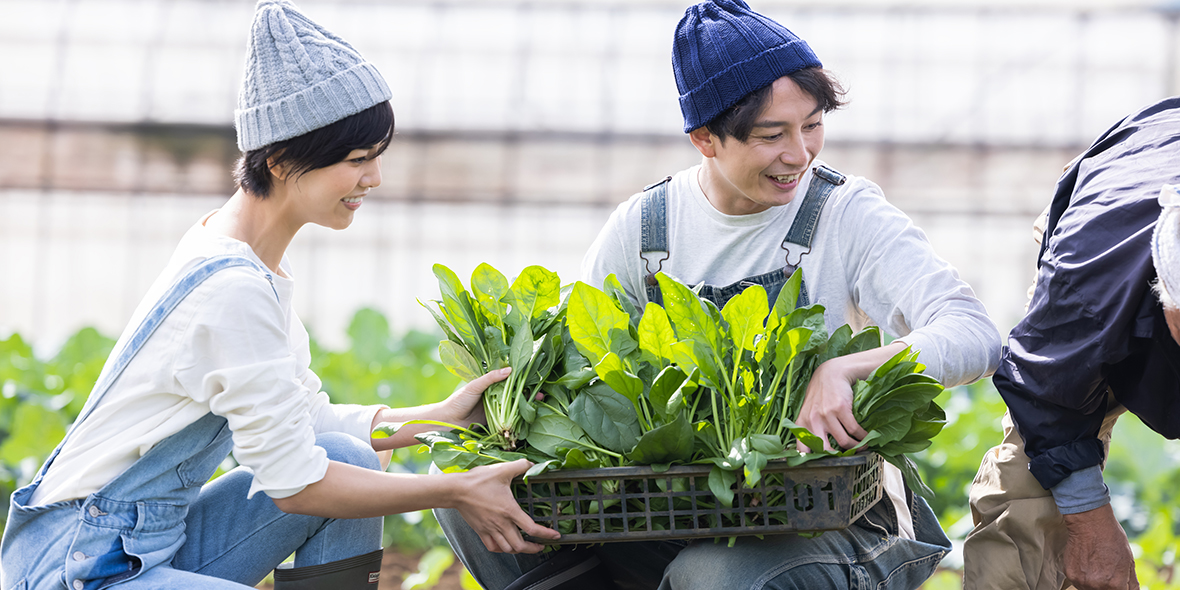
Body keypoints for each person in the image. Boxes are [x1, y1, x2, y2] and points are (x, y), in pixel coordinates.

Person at [435, 1, 1001, 588]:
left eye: (811, 125)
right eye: (771, 135)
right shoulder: (643, 229)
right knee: (465, 492)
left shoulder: (846, 214)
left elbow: (973, 333)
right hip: (673, 513)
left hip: (833, 520)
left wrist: (847, 368)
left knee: (713, 574)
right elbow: (578, 358)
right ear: (705, 138)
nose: (800, 154)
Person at [0, 2, 557, 589]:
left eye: (376, 157)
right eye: (356, 160)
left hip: (147, 544)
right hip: (80, 563)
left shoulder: (252, 260)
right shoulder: (232, 289)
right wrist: (454, 488)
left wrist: (439, 420)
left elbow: (306, 422)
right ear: (282, 159)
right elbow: (295, 484)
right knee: (329, 472)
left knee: (347, 454)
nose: (374, 178)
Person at [963, 97, 1180, 590]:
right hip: (1119, 201)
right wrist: (1089, 521)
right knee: (1032, 483)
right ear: (1164, 291)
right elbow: (1045, 395)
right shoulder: (1086, 287)